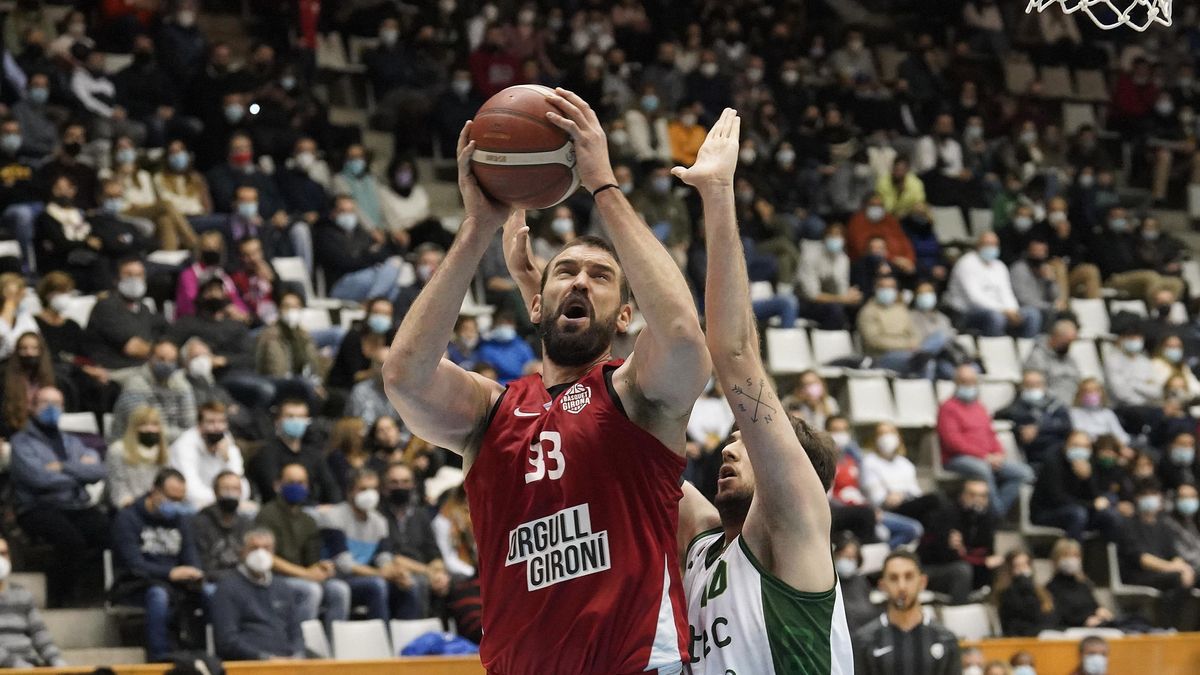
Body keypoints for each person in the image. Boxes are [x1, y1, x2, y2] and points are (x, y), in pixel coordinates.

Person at [383, 88, 711, 673]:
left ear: (626, 316)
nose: (580, 281)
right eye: (565, 271)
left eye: (601, 276)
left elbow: (685, 335)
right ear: (536, 303)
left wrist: (604, 187)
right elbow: (406, 375)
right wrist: (478, 227)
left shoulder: (638, 396)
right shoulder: (492, 411)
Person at [664, 109, 852, 673]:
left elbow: (738, 358)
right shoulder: (703, 544)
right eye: (734, 442)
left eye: (745, 443)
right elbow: (632, 452)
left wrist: (718, 197)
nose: (728, 446)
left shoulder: (794, 520)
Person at [10, 386, 108, 607]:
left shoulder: (72, 441)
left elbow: (98, 471)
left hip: (75, 504)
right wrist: (79, 472)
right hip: (37, 506)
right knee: (71, 541)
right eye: (45, 402)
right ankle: (60, 596)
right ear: (32, 407)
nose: (51, 408)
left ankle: (91, 594)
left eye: (57, 403)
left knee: (108, 532)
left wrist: (62, 466)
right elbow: (40, 479)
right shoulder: (21, 443)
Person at [111, 468, 204, 662]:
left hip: (175, 582)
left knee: (211, 592)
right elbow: (133, 564)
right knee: (159, 595)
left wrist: (194, 572)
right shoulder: (128, 518)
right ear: (154, 491)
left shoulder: (181, 519)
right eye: (171, 498)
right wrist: (170, 573)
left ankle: (205, 653)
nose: (175, 505)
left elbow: (190, 552)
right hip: (135, 583)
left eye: (180, 500)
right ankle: (160, 656)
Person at [254, 463, 349, 631]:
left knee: (339, 589)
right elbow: (266, 557)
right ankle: (300, 645)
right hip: (274, 578)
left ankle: (332, 648)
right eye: (291, 482)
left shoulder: (308, 520)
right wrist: (305, 574)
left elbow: (311, 561)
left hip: (302, 575)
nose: (296, 487)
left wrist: (322, 568)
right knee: (311, 591)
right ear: (278, 485)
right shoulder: (267, 514)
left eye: (301, 483)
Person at [938, 364, 1036, 515]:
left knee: (1024, 472)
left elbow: (991, 435)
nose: (969, 385)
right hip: (958, 459)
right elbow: (953, 442)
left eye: (972, 381)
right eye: (964, 381)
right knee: (982, 469)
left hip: (988, 458)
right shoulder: (947, 408)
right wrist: (985, 457)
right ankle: (994, 514)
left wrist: (999, 454)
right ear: (956, 383)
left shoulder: (979, 407)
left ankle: (997, 512)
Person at [854, 551, 962, 675]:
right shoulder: (864, 640)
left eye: (909, 577)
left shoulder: (946, 639)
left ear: (922, 582)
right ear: (882, 586)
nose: (902, 586)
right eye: (894, 578)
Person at [209, 528, 305, 661]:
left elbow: (296, 632)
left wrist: (297, 655)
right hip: (251, 664)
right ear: (242, 552)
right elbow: (227, 641)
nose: (260, 554)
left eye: (266, 548)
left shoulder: (282, 587)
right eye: (254, 548)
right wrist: (266, 658)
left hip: (287, 662)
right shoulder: (227, 588)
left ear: (273, 552)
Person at [313, 469, 392, 622]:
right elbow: (344, 564)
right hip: (335, 577)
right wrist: (380, 574)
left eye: (374, 489)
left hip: (364, 577)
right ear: (350, 492)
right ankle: (382, 637)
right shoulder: (334, 516)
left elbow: (384, 558)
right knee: (378, 585)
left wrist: (394, 573)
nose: (370, 494)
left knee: (409, 584)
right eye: (363, 489)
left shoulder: (380, 521)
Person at [378, 463, 450, 620]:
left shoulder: (421, 515)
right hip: (396, 572)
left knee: (452, 583)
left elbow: (434, 552)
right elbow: (392, 556)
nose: (400, 487)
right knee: (418, 583)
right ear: (384, 487)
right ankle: (417, 637)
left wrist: (438, 573)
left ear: (413, 485)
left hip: (423, 570)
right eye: (394, 482)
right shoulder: (378, 515)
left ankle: (445, 638)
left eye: (405, 482)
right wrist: (428, 572)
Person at [918, 479, 1003, 604]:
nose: (977, 500)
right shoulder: (945, 514)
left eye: (983, 496)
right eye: (972, 495)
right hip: (932, 569)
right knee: (962, 570)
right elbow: (944, 554)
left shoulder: (987, 519)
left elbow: (987, 552)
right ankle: (958, 616)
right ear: (962, 495)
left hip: (970, 567)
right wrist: (978, 559)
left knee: (1004, 567)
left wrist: (970, 554)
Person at [946, 231, 1042, 337]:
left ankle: (1025, 351)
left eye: (994, 244)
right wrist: (1003, 311)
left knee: (1033, 315)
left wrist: (1013, 311)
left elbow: (1006, 292)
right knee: (996, 318)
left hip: (1002, 311)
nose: (991, 248)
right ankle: (994, 351)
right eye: (987, 244)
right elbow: (974, 298)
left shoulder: (1000, 266)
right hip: (967, 313)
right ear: (978, 246)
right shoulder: (966, 263)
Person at [247, 399, 341, 505]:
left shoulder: (314, 454)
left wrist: (333, 506)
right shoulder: (266, 453)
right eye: (290, 416)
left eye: (301, 417)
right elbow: (271, 489)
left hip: (315, 511)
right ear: (277, 421)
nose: (296, 421)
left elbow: (331, 487)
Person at [1031, 431, 1120, 541]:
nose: (1080, 450)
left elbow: (1095, 495)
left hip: (1081, 509)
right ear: (1066, 446)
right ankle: (1072, 553)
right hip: (1048, 512)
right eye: (1076, 445)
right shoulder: (1053, 462)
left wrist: (1087, 478)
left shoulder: (1090, 462)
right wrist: (1091, 505)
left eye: (1085, 447)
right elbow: (1057, 499)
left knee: (1109, 515)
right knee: (1078, 514)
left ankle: (1104, 556)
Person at [85, 257, 166, 373]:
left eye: (139, 275)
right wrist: (164, 352)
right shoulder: (106, 306)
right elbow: (133, 348)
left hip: (143, 367)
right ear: (116, 279)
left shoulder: (143, 309)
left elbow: (166, 329)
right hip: (116, 370)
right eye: (128, 275)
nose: (134, 280)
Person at [110, 339, 197, 444]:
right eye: (161, 359)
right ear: (150, 358)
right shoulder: (135, 385)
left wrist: (188, 436)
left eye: (171, 360)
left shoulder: (181, 384)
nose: (166, 364)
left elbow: (190, 424)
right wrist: (185, 435)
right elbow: (146, 429)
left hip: (170, 446)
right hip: (132, 446)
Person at [0, 537, 66, 668]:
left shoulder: (23, 595)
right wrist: (17, 666)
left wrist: (56, 660)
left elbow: (40, 633)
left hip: (29, 664)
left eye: (4, 553)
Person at [168, 401, 246, 510]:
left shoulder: (226, 441)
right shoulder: (185, 445)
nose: (217, 427)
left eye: (221, 422)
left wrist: (227, 459)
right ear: (199, 425)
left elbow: (242, 486)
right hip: (185, 504)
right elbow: (191, 492)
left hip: (217, 503)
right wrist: (226, 499)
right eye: (211, 422)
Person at [997, 369, 1073, 467]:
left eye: (1037, 384)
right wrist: (1020, 429)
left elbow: (1066, 425)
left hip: (1058, 446)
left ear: (1044, 385)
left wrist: (1039, 428)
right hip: (1035, 452)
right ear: (1022, 386)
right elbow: (1000, 417)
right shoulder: (1016, 407)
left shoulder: (1055, 404)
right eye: (1029, 384)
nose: (1034, 388)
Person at [192, 470, 254, 583]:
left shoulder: (246, 523)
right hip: (212, 581)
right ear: (215, 492)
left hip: (241, 582)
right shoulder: (200, 522)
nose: (230, 493)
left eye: (235, 489)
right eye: (226, 489)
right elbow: (201, 566)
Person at [107, 405, 170, 509]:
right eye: (144, 425)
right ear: (134, 428)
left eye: (154, 424)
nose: (150, 429)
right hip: (127, 506)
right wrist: (142, 507)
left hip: (157, 506)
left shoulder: (164, 451)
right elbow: (118, 491)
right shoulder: (118, 450)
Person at [1045, 538, 1115, 630]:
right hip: (1072, 630)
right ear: (1056, 559)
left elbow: (1094, 606)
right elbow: (1060, 616)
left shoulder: (1084, 584)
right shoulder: (1051, 588)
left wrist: (1100, 611)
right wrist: (1085, 620)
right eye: (1066, 556)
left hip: (1094, 626)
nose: (1072, 560)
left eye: (1076, 556)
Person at [993, 549, 1056, 637]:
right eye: (1017, 566)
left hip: (1040, 633)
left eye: (1025, 565)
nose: (1023, 569)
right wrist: (1024, 584)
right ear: (1009, 569)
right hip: (1019, 637)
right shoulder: (1006, 593)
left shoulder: (1039, 589)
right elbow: (1027, 612)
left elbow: (1047, 612)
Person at [1023, 319, 1082, 405]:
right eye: (1067, 341)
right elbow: (1036, 388)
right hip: (1052, 405)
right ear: (1056, 337)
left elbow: (1077, 378)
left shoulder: (1068, 356)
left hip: (1075, 402)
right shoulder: (1037, 357)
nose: (1069, 346)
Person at [1069, 378, 1130, 445]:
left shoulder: (1107, 413)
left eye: (1095, 390)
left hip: (1106, 448)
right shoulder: (1073, 413)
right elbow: (1077, 434)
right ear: (1080, 394)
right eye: (1087, 391)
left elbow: (1121, 436)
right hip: (1085, 447)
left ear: (1102, 393)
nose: (1091, 394)